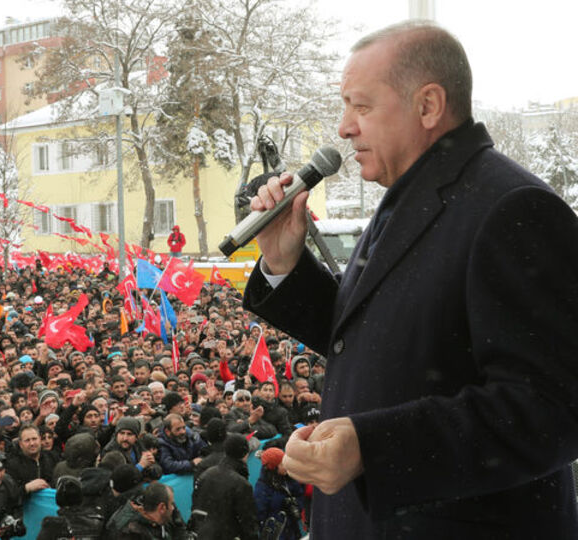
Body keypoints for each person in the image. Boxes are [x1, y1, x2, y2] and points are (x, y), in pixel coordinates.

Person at [243, 20, 578, 538]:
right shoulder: (410, 194)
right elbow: (383, 337)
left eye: (361, 105)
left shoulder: (512, 209)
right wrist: (286, 265)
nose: (344, 127)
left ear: (428, 105)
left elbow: (551, 410)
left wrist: (373, 448)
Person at [191, 434, 261, 540]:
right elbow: (248, 522)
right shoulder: (242, 485)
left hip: (205, 534)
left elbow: (195, 507)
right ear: (245, 453)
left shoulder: (206, 475)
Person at [252, 447, 304, 540]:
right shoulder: (262, 487)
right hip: (277, 532)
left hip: (292, 528)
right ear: (274, 467)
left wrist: (296, 505)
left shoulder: (289, 478)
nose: (286, 466)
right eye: (282, 464)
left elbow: (300, 494)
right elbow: (260, 514)